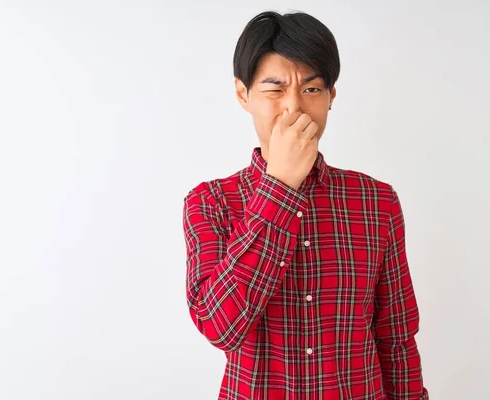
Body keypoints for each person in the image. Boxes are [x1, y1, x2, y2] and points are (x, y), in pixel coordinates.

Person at [182, 10, 429, 400]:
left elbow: (396, 340)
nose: (294, 107)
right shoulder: (211, 202)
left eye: (312, 89)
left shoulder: (376, 201)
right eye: (274, 89)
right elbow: (220, 326)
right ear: (243, 94)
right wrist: (279, 186)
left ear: (332, 96)